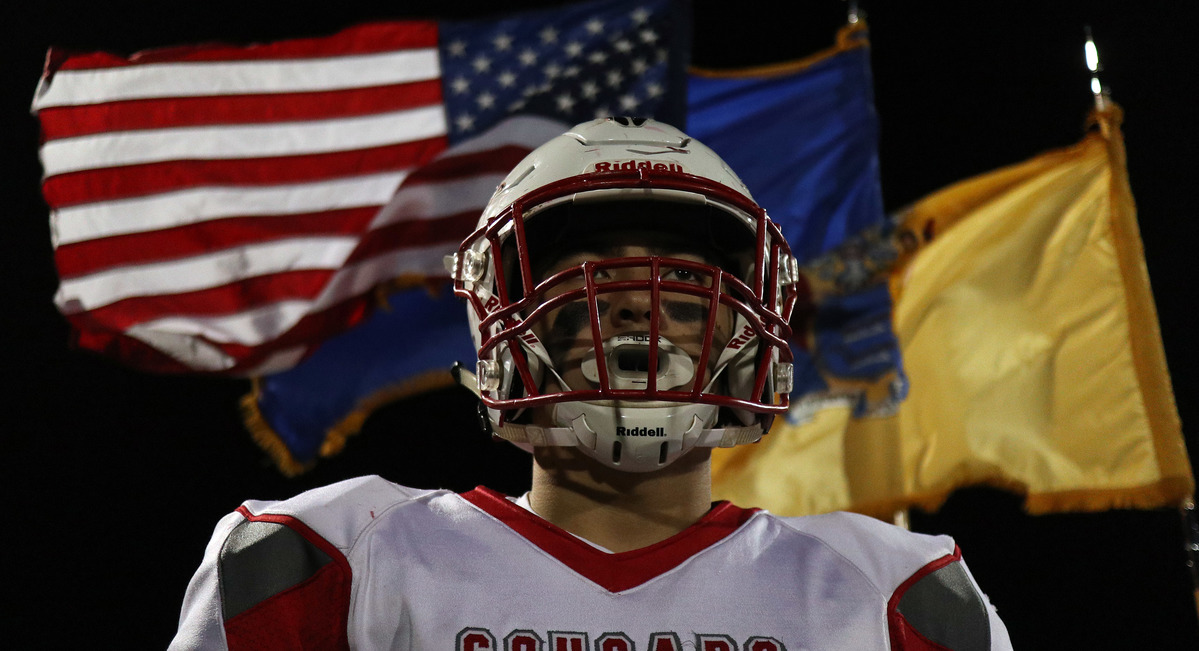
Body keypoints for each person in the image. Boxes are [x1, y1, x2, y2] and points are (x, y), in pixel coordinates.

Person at [170, 118, 1013, 650]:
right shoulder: (334, 561)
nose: (638, 325)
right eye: (589, 297)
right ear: (508, 327)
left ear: (743, 333)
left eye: (680, 299)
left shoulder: (893, 596)